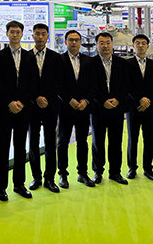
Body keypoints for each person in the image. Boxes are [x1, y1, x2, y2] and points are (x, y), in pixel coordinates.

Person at [0, 20, 36, 201]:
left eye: (17, 32)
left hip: (23, 108)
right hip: (5, 108)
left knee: (20, 147)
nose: (14, 35)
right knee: (3, 147)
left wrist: (22, 102)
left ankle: (19, 184)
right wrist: (10, 101)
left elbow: (33, 82)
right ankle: (0, 187)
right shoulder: (0, 56)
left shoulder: (29, 56)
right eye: (11, 32)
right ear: (7, 34)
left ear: (22, 34)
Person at [88, 31, 130, 185]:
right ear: (96, 45)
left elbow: (126, 84)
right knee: (97, 142)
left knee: (116, 142)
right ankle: (98, 171)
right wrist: (102, 101)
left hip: (116, 108)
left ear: (112, 44)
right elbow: (90, 86)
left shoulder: (122, 63)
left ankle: (115, 172)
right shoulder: (90, 63)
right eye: (102, 43)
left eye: (108, 43)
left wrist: (117, 99)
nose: (105, 46)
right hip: (98, 108)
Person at [28, 23, 63, 193]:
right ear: (32, 36)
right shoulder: (26, 57)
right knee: (33, 142)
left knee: (50, 142)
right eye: (37, 34)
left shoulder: (56, 58)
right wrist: (36, 97)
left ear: (48, 36)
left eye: (43, 34)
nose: (40, 37)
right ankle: (36, 177)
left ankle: (50, 178)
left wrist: (46, 98)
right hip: (32, 106)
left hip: (50, 106)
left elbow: (59, 82)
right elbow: (25, 82)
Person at [57, 30, 94, 188]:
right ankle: (62, 174)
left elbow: (93, 84)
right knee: (63, 142)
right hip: (66, 107)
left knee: (82, 142)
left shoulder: (88, 61)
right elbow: (57, 84)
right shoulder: (59, 60)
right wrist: (69, 100)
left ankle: (83, 173)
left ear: (80, 42)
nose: (74, 42)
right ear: (65, 42)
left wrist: (86, 100)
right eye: (71, 40)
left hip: (83, 108)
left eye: (76, 40)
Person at [125, 34, 153, 181]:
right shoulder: (126, 64)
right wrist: (140, 99)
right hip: (133, 107)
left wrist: (147, 100)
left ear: (148, 46)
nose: (140, 45)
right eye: (137, 43)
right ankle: (132, 168)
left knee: (148, 139)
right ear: (133, 46)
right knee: (133, 139)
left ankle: (148, 168)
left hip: (150, 107)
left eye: (143, 43)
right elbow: (126, 85)